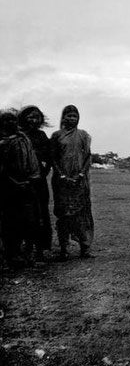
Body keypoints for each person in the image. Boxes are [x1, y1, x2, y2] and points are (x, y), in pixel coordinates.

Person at [50, 105, 95, 260]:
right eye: (68, 115)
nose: (71, 118)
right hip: (62, 183)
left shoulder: (83, 135)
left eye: (74, 116)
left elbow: (88, 157)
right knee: (64, 216)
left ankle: (85, 248)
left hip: (80, 183)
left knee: (82, 215)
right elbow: (53, 158)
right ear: (63, 118)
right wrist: (62, 176)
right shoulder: (56, 136)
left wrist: (81, 174)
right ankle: (64, 249)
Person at [0, 109, 43, 268]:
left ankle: (28, 253)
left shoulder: (23, 138)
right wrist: (15, 182)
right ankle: (10, 255)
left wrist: (31, 180)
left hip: (28, 185)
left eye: (12, 119)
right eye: (5, 120)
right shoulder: (3, 141)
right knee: (9, 222)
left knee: (29, 220)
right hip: (7, 187)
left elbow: (33, 162)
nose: (9, 122)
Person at [18, 105, 53, 260]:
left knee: (41, 212)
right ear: (23, 118)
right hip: (21, 182)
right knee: (24, 213)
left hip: (38, 180)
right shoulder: (18, 135)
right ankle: (25, 246)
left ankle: (42, 247)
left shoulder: (41, 135)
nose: (34, 120)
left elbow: (49, 156)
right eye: (30, 116)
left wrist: (42, 172)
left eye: (37, 117)